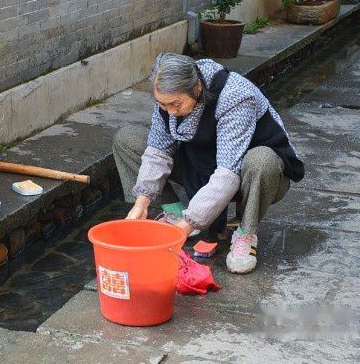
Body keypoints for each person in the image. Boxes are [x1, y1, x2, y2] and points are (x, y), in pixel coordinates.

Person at [113, 53, 304, 274]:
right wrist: (142, 202)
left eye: (175, 104)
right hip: (200, 166)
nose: (170, 112)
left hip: (250, 176)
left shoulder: (235, 95)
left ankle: (246, 233)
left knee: (262, 160)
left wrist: (187, 226)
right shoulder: (168, 98)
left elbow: (227, 174)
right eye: (163, 105)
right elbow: (158, 152)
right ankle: (176, 213)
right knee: (127, 139)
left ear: (197, 88)